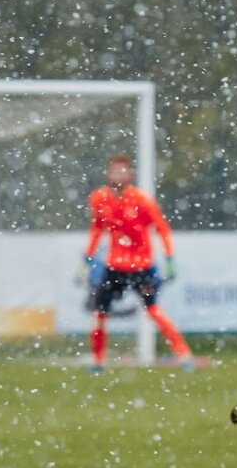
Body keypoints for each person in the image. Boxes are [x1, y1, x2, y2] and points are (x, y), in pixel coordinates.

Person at [82, 153, 193, 373]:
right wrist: (88, 258)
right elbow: (97, 229)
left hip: (141, 266)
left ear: (130, 174)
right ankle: (98, 361)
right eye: (115, 170)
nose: (119, 175)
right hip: (114, 266)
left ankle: (184, 355)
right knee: (99, 313)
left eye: (123, 171)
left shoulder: (141, 200)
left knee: (152, 309)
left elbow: (162, 228)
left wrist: (169, 258)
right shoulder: (100, 199)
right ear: (108, 173)